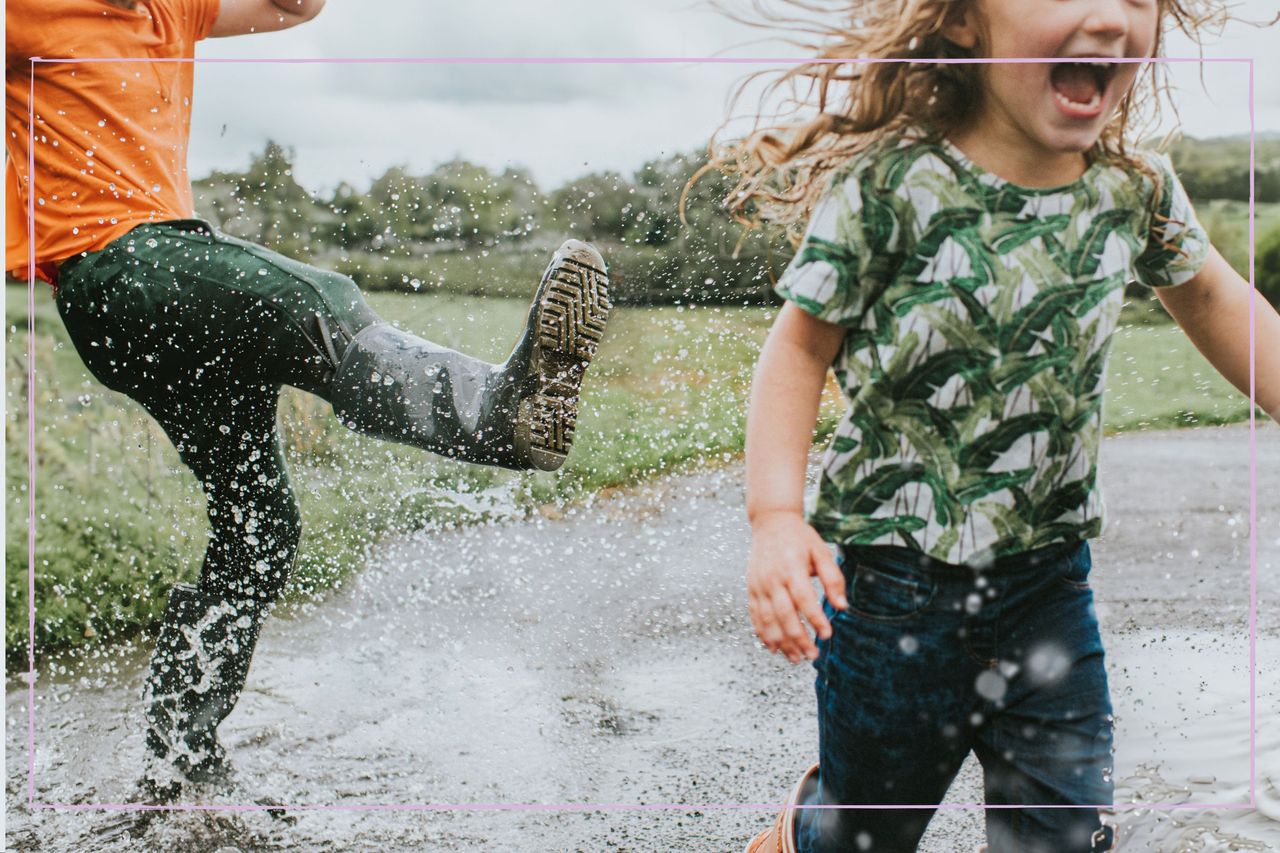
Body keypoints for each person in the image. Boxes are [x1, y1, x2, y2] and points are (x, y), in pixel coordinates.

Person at [5, 0, 611, 798]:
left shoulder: (169, 10)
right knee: (316, 302)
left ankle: (177, 747)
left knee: (261, 523)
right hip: (121, 272)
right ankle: (494, 413)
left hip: (156, 303)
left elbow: (296, 5)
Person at [724, 1, 1280, 851]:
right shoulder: (894, 184)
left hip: (1046, 588)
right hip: (887, 589)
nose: (1106, 17)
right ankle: (807, 829)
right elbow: (798, 350)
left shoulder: (1130, 186)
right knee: (864, 833)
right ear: (961, 23)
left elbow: (1213, 299)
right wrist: (775, 519)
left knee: (1060, 837)